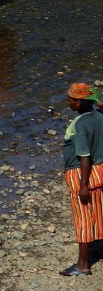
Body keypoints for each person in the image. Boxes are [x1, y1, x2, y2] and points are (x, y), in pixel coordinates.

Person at [59, 83, 103, 276]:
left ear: (78, 102)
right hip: (100, 169)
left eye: (70, 99)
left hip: (82, 173)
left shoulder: (81, 124)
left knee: (83, 217)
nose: (68, 102)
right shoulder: (99, 116)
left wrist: (83, 185)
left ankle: (82, 264)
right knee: (100, 211)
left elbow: (84, 156)